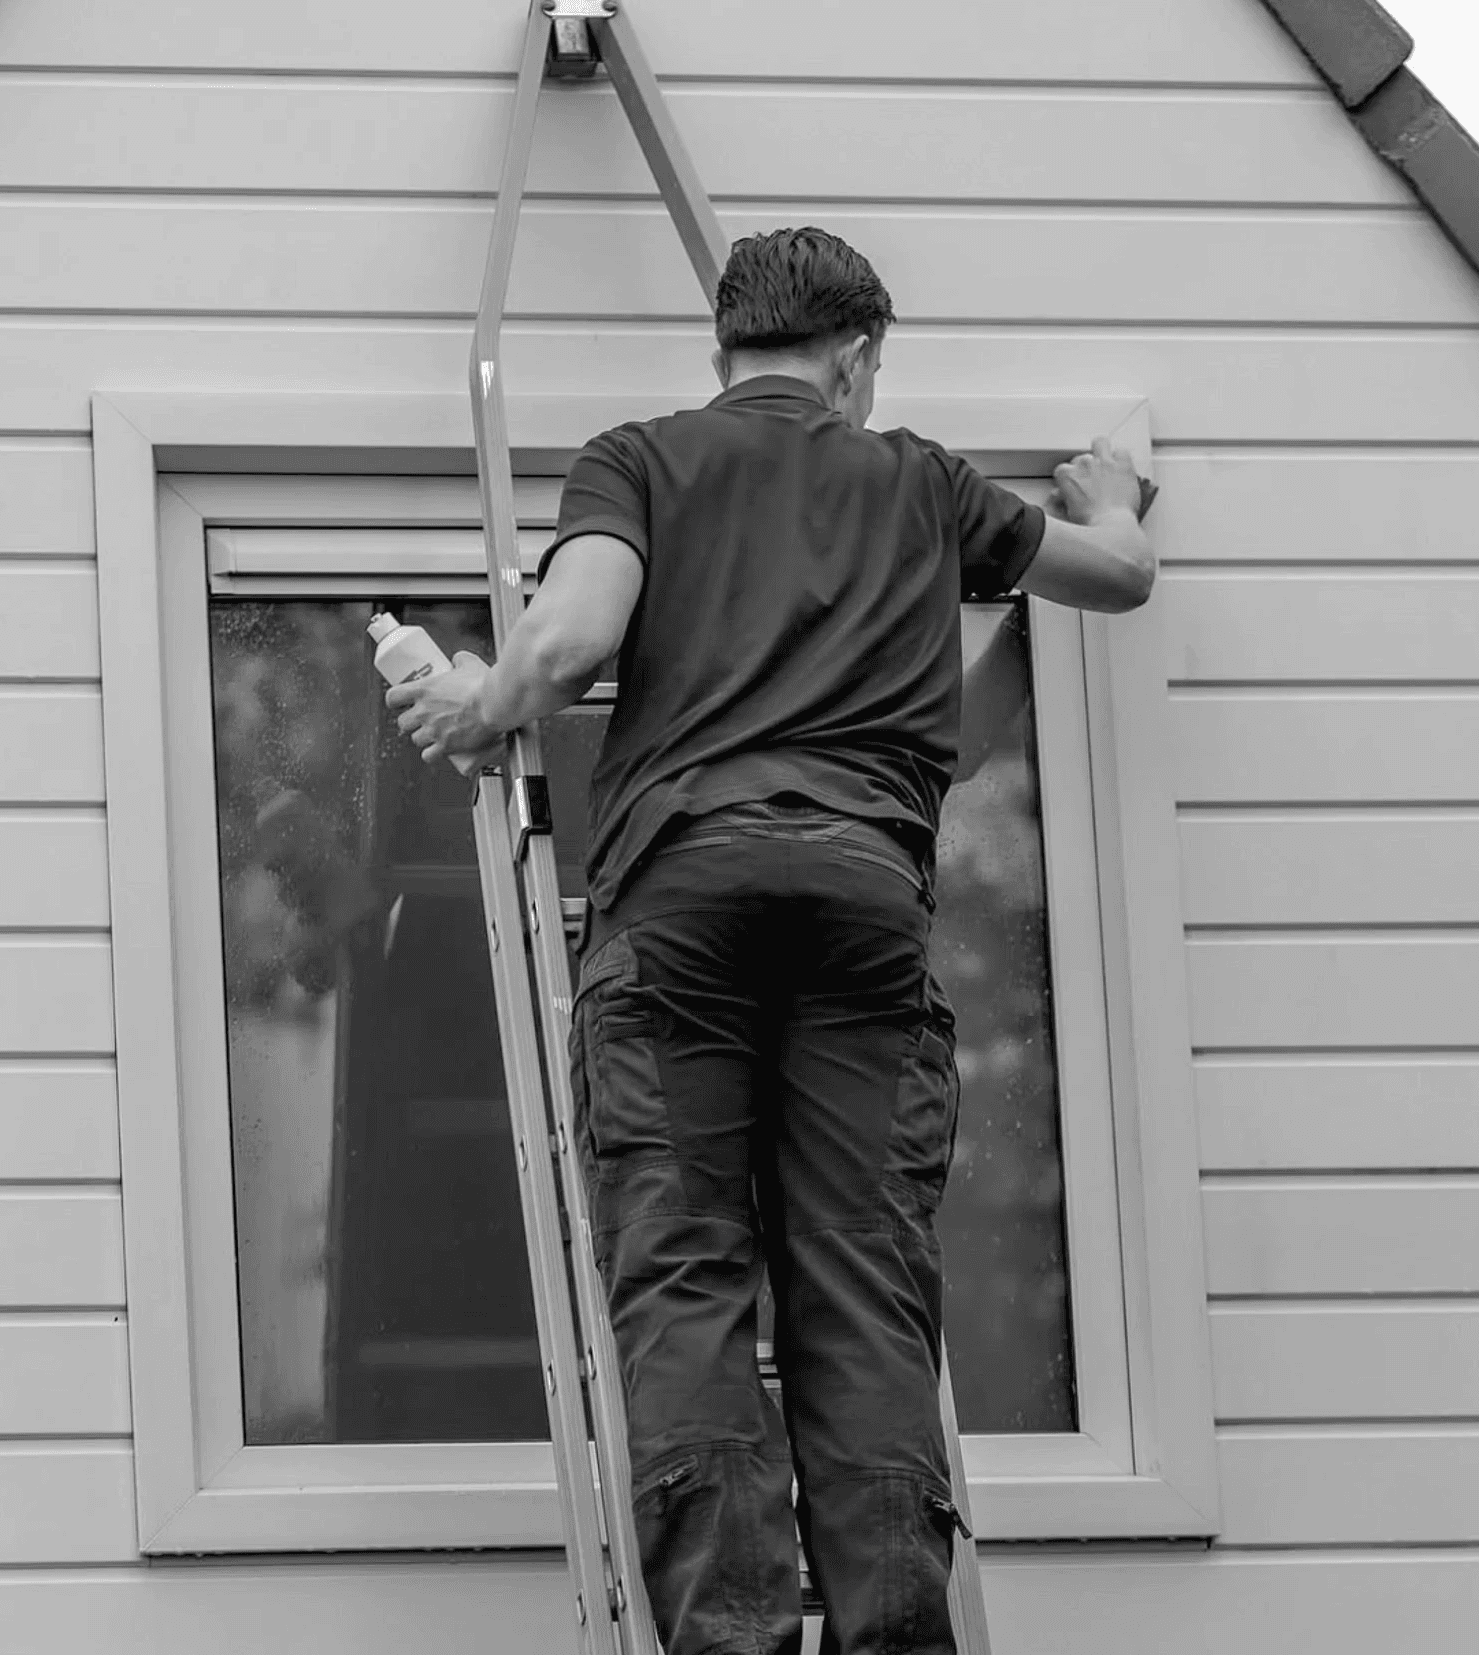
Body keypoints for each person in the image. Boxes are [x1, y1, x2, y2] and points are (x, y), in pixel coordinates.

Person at [389, 226, 1155, 1655]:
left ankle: (730, 1639)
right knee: (861, 1289)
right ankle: (892, 1633)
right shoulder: (922, 480)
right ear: (855, 358)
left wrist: (475, 706)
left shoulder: (639, 459)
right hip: (863, 903)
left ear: (724, 348)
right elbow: (1115, 576)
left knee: (685, 1275)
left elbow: (570, 639)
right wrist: (1111, 498)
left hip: (683, 904)